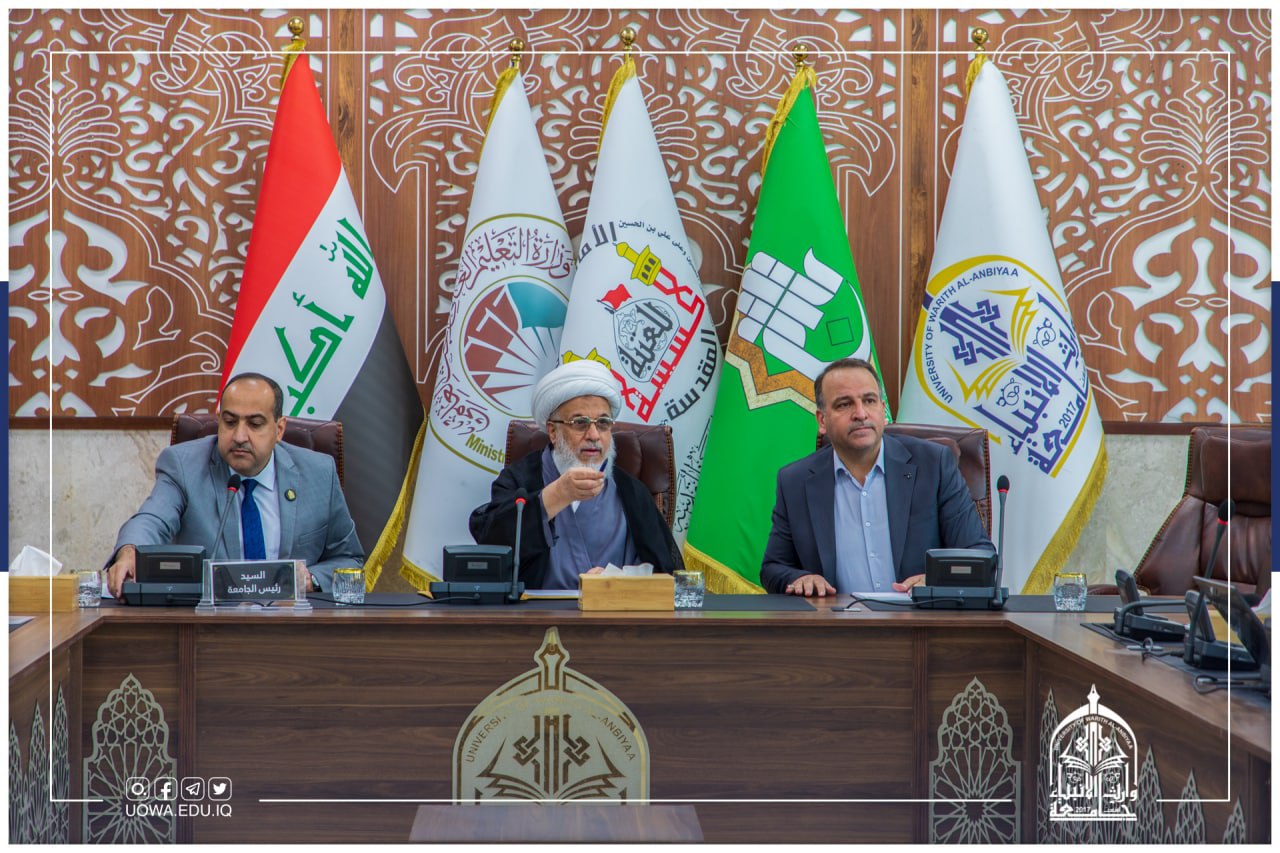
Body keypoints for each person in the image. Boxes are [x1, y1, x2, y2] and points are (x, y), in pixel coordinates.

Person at [105, 372, 364, 599]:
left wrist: (310, 579)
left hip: (293, 626)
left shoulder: (318, 473)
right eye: (229, 422)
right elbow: (152, 519)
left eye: (255, 424)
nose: (239, 436)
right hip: (210, 625)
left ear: (279, 429)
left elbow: (349, 559)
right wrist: (130, 552)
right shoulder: (184, 466)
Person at [761, 357, 993, 597]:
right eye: (844, 404)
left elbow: (980, 555)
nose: (860, 413)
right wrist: (800, 578)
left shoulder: (934, 465)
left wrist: (936, 580)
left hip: (919, 616)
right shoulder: (795, 481)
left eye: (869, 401)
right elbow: (773, 567)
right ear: (822, 420)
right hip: (837, 619)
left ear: (883, 411)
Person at [469, 360, 682, 589]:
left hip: (614, 608)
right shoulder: (519, 479)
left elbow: (667, 574)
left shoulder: (632, 491)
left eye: (603, 423)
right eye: (580, 423)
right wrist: (555, 496)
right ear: (553, 431)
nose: (594, 435)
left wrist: (620, 579)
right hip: (535, 610)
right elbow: (491, 545)